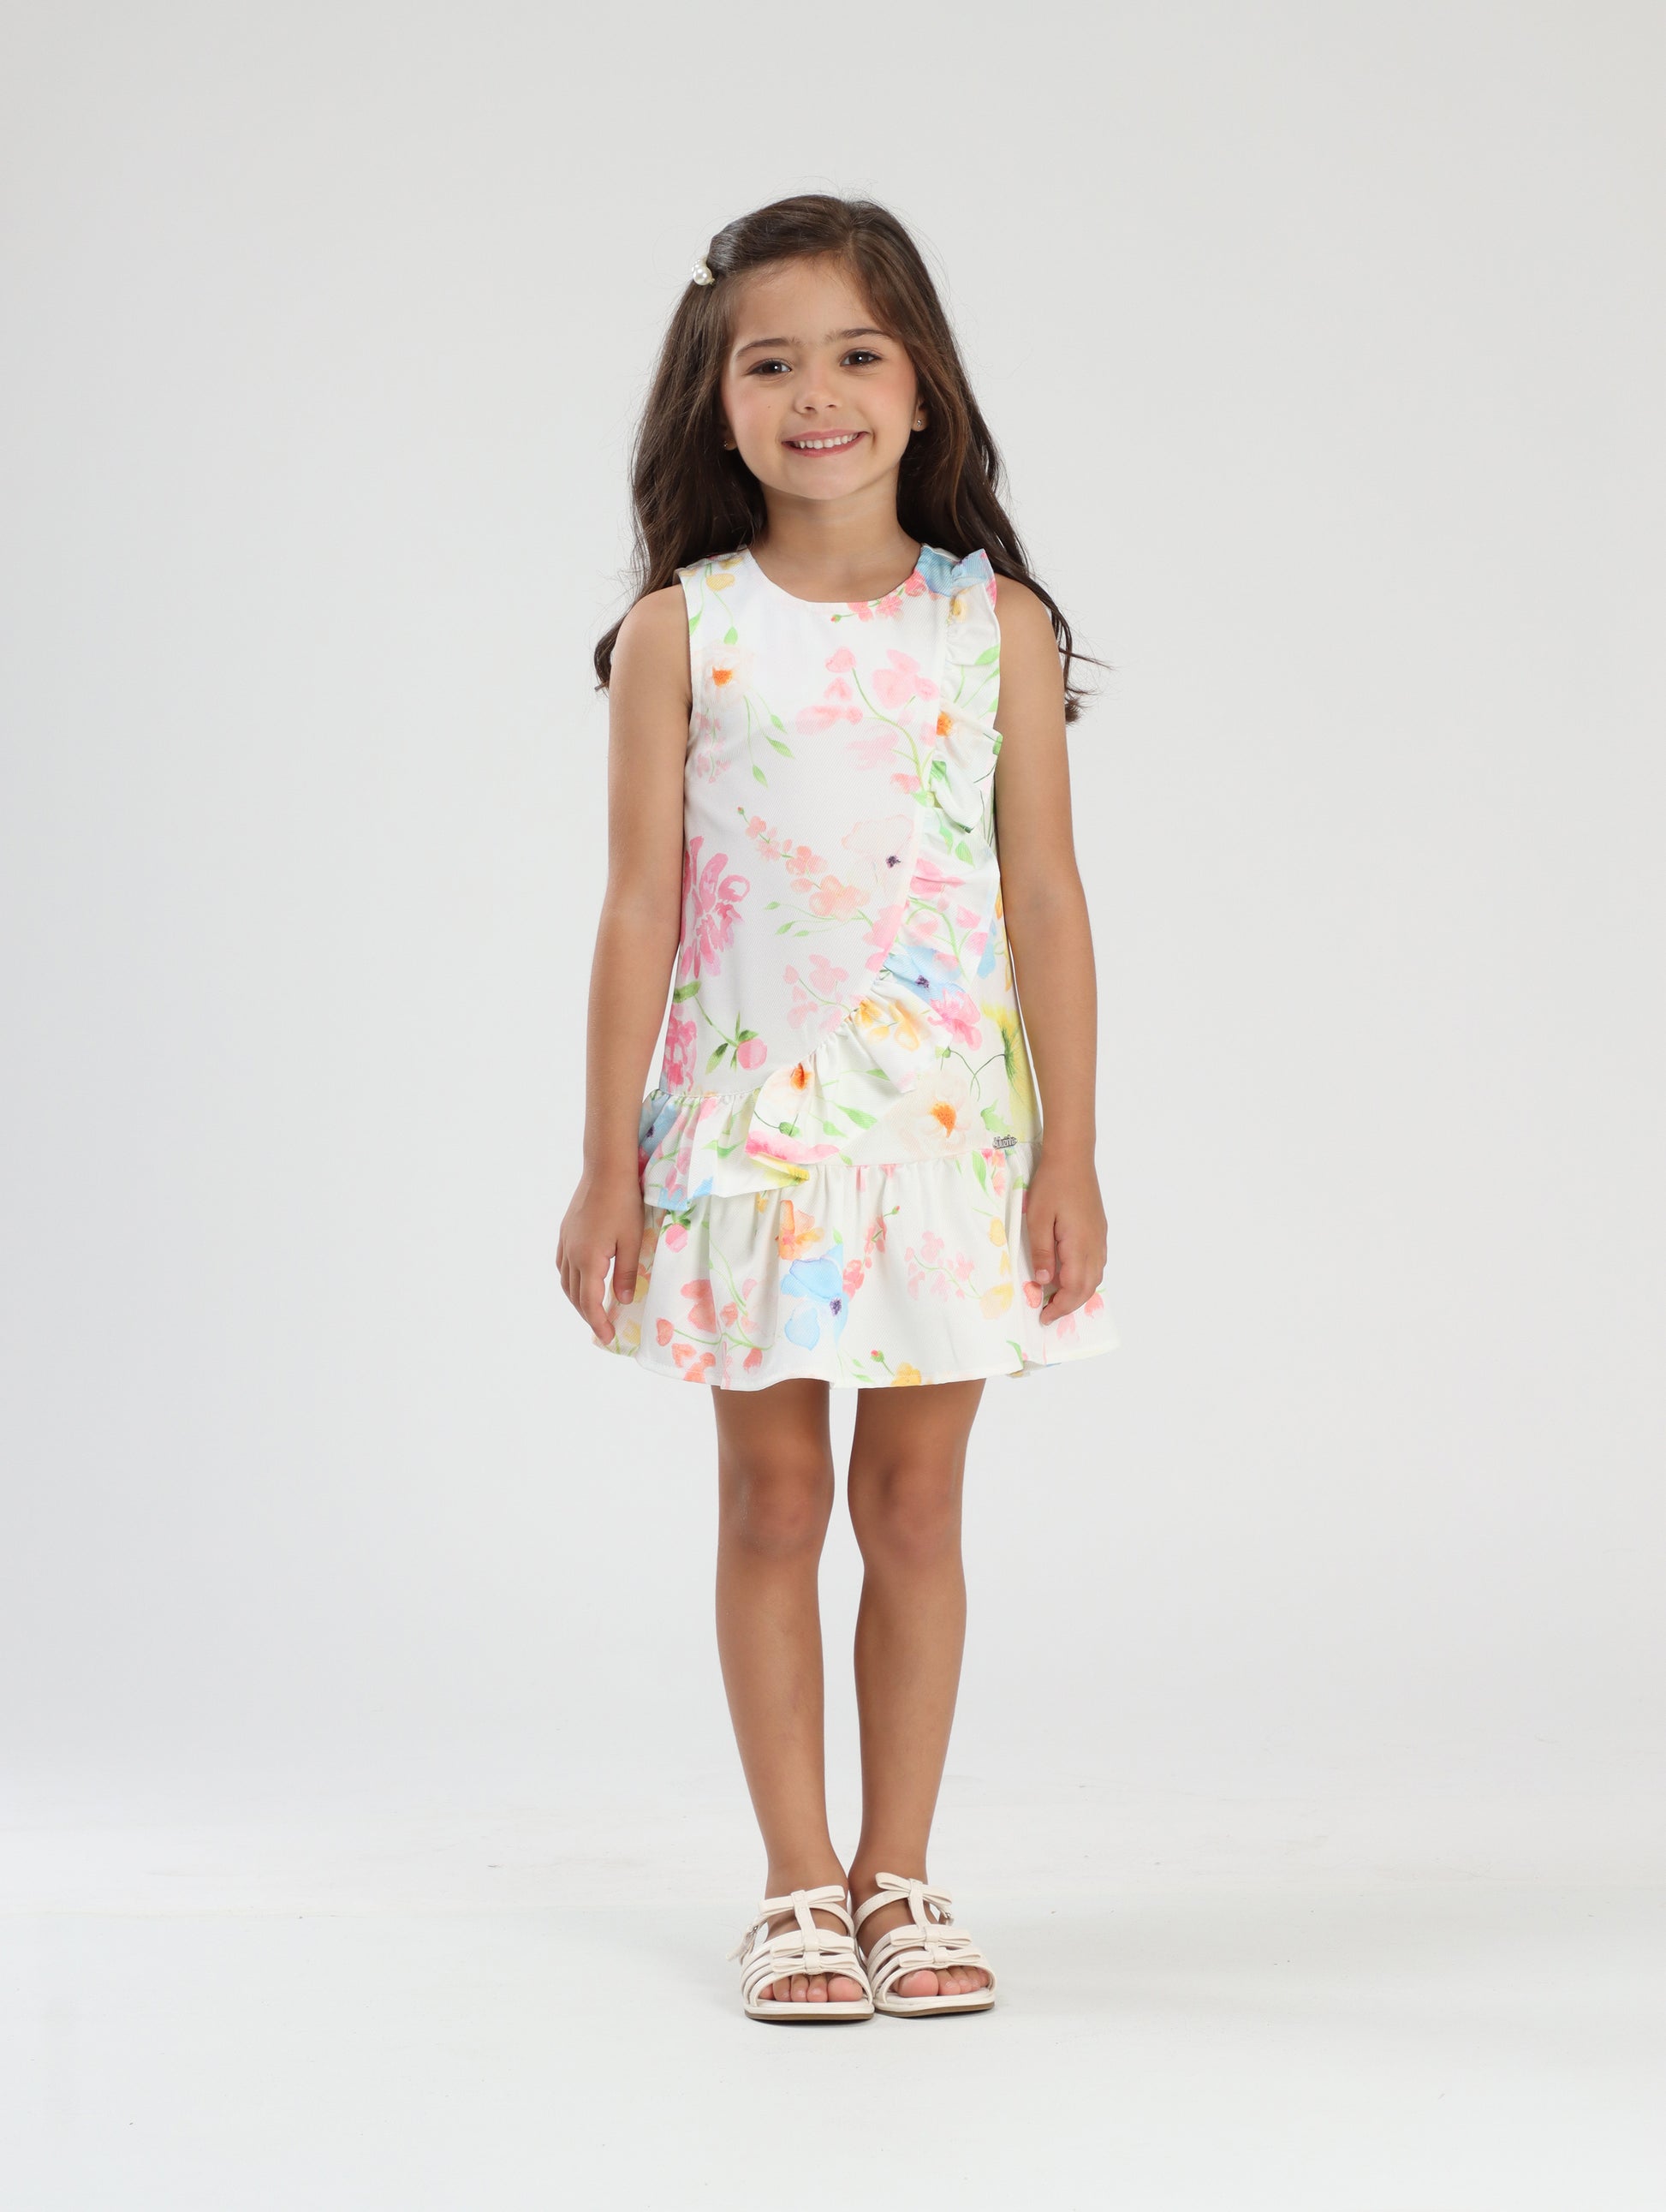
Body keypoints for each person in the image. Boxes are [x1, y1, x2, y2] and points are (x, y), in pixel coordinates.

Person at [557, 193, 1120, 2023]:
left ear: (921, 386)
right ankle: (797, 1878)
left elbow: (1044, 898)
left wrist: (1070, 1150)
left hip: (945, 1136)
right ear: (714, 407)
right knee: (774, 1497)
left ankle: (901, 1872)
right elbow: (638, 907)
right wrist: (606, 1166)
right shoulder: (683, 632)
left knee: (918, 1501)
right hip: (750, 1136)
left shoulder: (993, 626)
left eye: (857, 354)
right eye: (771, 363)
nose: (817, 395)